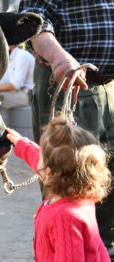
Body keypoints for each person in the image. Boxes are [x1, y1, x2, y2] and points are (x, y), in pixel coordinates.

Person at [18, 1, 114, 257]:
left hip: (109, 83)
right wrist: (58, 57)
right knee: (70, 181)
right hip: (68, 81)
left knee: (98, 185)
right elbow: (34, 19)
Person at [6, 115, 112, 261]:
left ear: (49, 172)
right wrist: (22, 144)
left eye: (42, 155)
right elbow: (40, 159)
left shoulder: (64, 218)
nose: (38, 158)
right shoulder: (79, 191)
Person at [0, 44, 35, 109]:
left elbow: (15, 85)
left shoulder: (22, 55)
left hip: (28, 95)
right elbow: (4, 81)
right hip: (16, 93)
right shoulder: (9, 57)